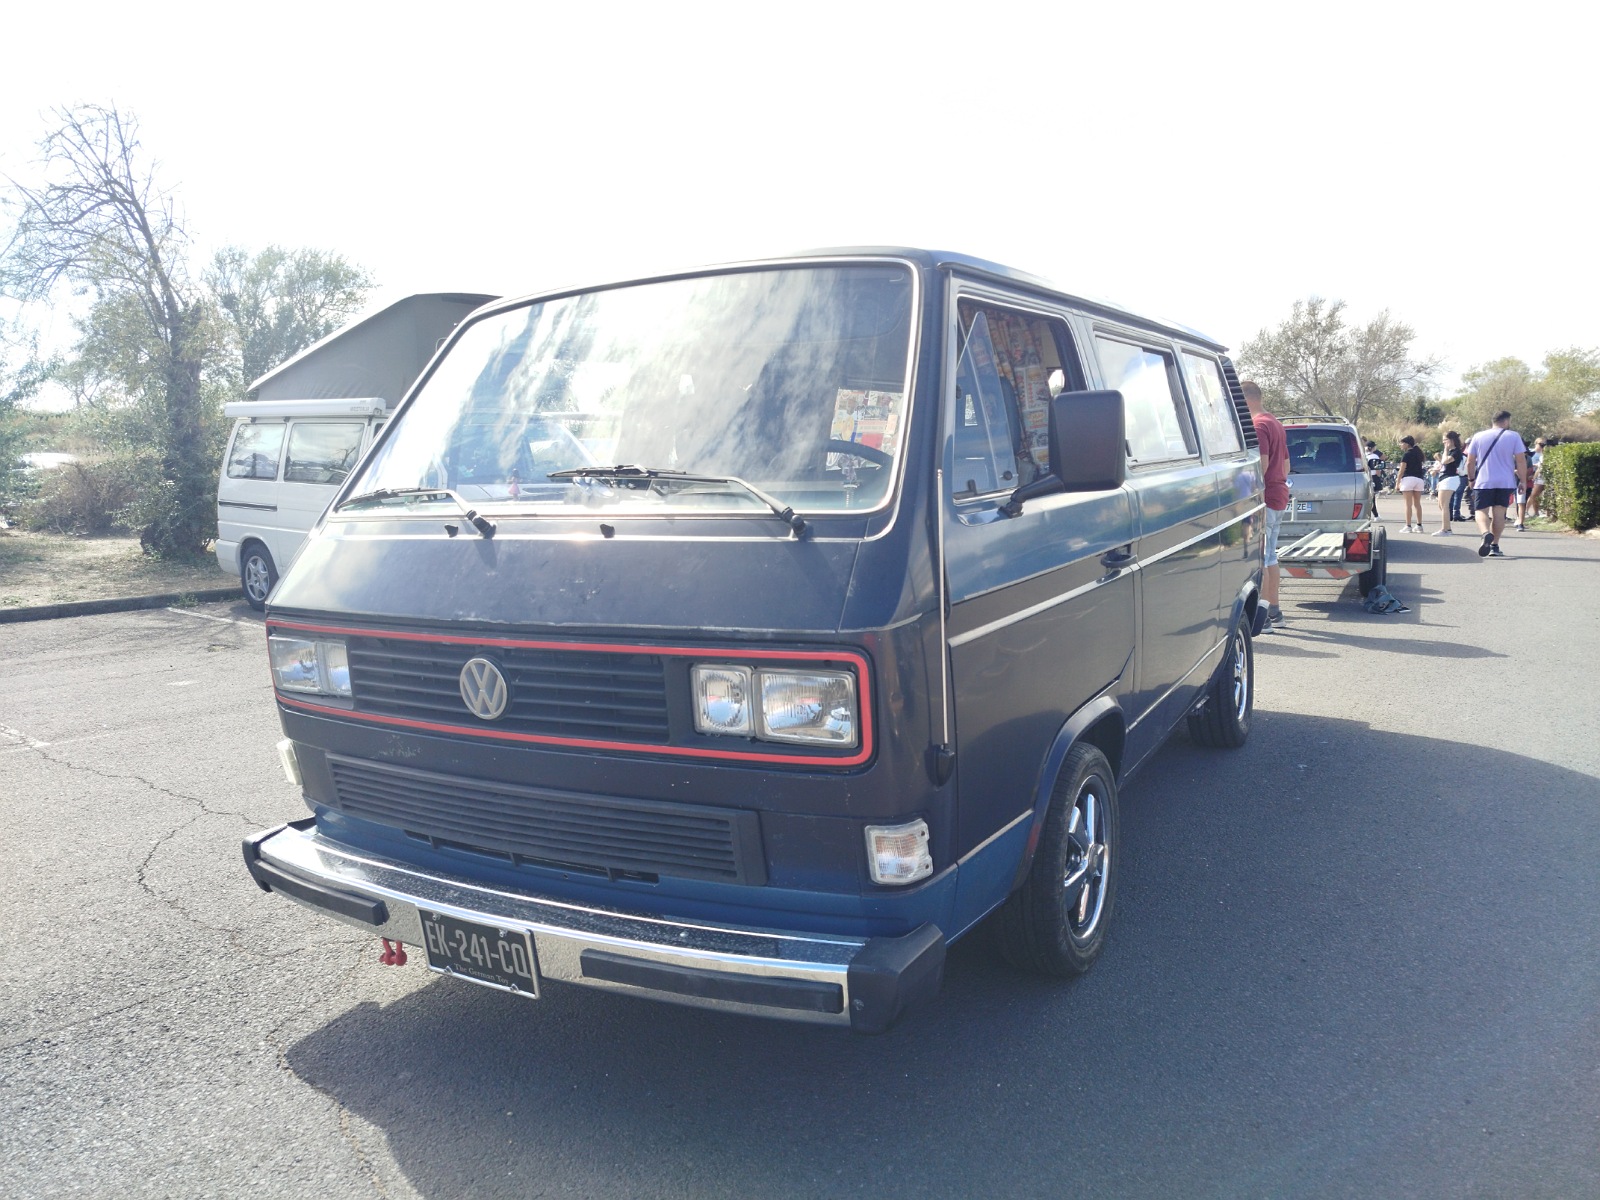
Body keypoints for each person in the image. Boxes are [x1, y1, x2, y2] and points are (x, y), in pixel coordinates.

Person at [1242, 380, 1288, 630]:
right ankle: (1275, 612)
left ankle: (1266, 617)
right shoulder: (1276, 423)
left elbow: (1262, 465)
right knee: (1271, 556)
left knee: (1262, 558)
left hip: (1265, 499)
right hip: (1279, 494)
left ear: (1245, 399)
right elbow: (1285, 466)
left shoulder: (1258, 425)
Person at [1465, 410, 1528, 558]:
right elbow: (1521, 460)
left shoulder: (1478, 436)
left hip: (1483, 480)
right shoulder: (1514, 436)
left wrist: (1471, 479)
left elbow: (1470, 461)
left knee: (1481, 511)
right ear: (1506, 421)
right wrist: (1523, 481)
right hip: (1505, 481)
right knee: (1499, 513)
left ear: (1493, 421)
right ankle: (1494, 545)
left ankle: (1485, 533)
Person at [1432, 431, 1464, 535]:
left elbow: (1445, 461)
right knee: (1441, 505)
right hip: (1444, 478)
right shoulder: (1450, 451)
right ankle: (1448, 528)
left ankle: (1445, 529)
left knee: (1444, 505)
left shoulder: (1456, 452)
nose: (1444, 442)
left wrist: (1445, 450)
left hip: (1451, 478)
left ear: (1452, 440)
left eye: (1445, 440)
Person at [1397, 435, 1427, 532]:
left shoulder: (1406, 455)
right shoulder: (1418, 454)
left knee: (1408, 504)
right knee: (1417, 504)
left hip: (1408, 479)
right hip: (1419, 479)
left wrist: (1397, 482)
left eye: (1402, 443)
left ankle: (1408, 526)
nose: (1400, 445)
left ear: (1406, 444)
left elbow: (1401, 470)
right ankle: (1419, 525)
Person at [1525, 438, 1548, 521]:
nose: (1542, 446)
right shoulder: (1531, 452)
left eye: (1544, 444)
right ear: (1536, 444)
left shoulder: (1544, 454)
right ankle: (1526, 511)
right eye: (1540, 444)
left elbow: (1539, 466)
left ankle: (1539, 512)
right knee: (1533, 495)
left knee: (1538, 495)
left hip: (1539, 477)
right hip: (1535, 477)